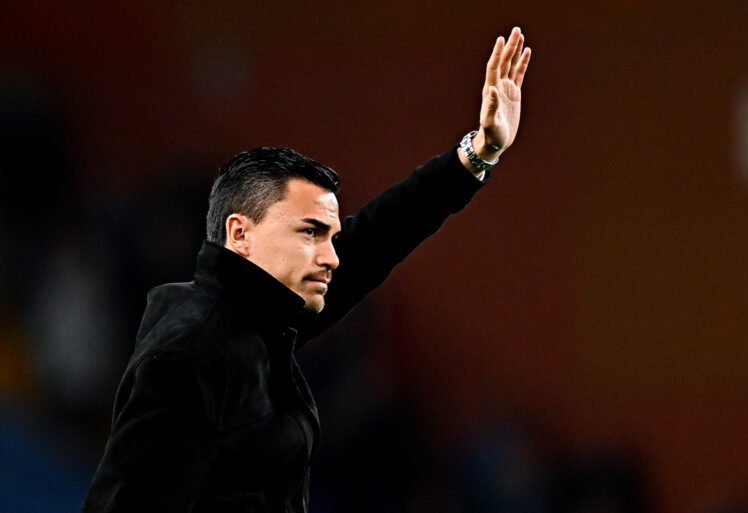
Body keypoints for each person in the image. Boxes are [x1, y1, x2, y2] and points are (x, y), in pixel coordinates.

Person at [81, 27, 532, 513]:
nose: (332, 255)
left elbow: (375, 239)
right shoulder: (187, 357)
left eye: (331, 236)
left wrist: (478, 154)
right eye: (310, 232)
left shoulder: (253, 320)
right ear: (240, 234)